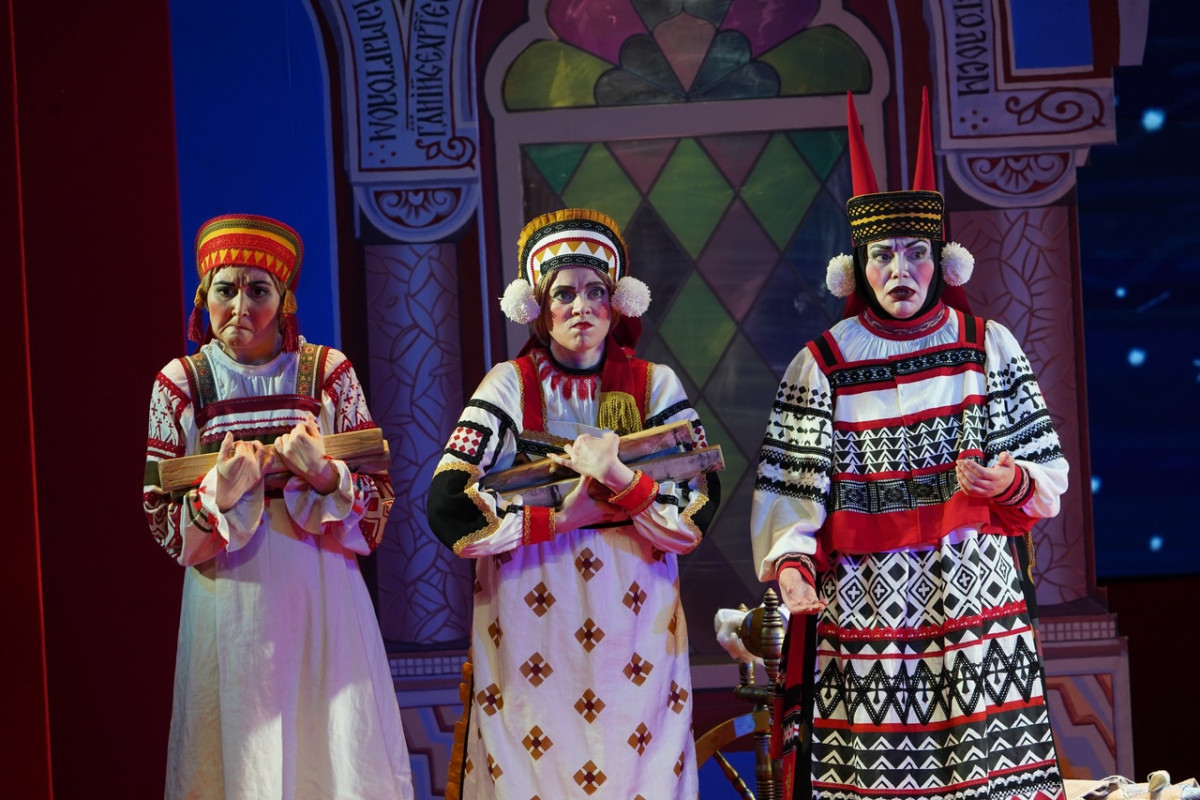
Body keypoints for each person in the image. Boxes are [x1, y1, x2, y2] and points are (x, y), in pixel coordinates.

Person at [750, 91, 1070, 800]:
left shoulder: (986, 347)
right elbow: (790, 486)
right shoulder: (824, 363)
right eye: (884, 255)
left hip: (973, 590)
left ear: (943, 261)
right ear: (857, 266)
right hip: (868, 601)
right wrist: (793, 566)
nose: (900, 270)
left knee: (987, 777)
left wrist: (1007, 481)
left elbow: (1046, 468)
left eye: (916, 253)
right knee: (876, 777)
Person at [426, 208, 720, 798]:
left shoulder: (654, 385)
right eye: (564, 293)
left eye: (595, 292)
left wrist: (616, 476)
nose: (581, 306)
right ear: (538, 306)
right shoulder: (508, 385)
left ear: (617, 303)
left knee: (636, 769)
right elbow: (449, 505)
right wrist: (562, 519)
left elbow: (694, 513)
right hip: (532, 619)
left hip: (634, 620)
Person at [142, 213, 414, 799]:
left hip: (321, 594)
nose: (240, 307)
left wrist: (322, 474)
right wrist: (220, 493)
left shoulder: (327, 373)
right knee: (243, 758)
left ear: (285, 299)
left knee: (331, 750)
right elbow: (162, 519)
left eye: (259, 291)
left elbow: (375, 511)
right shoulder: (181, 383)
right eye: (225, 290)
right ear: (203, 295)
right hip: (230, 604)